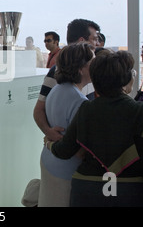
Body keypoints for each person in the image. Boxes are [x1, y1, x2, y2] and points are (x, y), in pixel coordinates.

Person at [45, 50, 143, 206]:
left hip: (87, 191)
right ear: (127, 79)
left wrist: (49, 142)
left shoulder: (86, 109)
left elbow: (64, 151)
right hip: (133, 192)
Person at [38, 42, 95, 207]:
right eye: (92, 63)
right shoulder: (79, 100)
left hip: (49, 161)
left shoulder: (57, 90)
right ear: (81, 69)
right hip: (66, 170)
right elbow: (79, 151)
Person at [33, 18, 101, 142]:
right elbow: (38, 110)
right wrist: (49, 133)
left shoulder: (91, 71)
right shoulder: (56, 71)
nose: (98, 44)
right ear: (81, 41)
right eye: (95, 39)